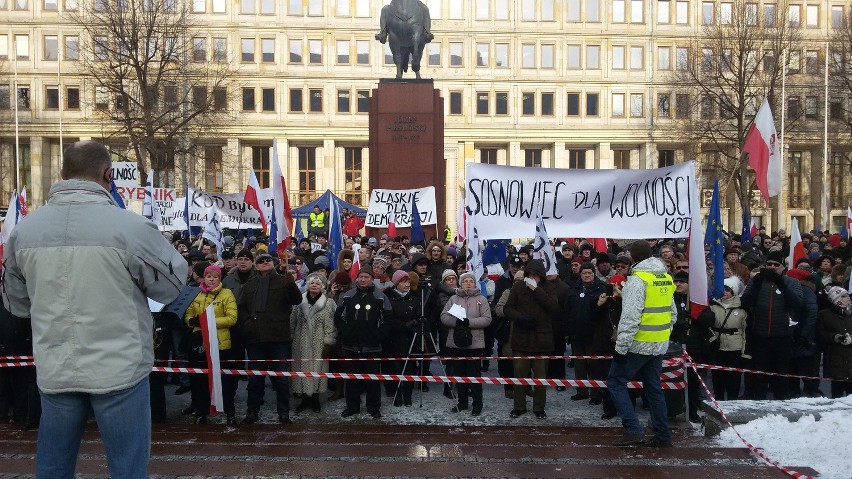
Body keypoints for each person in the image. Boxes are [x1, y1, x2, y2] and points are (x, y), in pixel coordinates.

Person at [1, 140, 187, 478]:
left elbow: (15, 302)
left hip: (56, 366)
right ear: (107, 174)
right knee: (127, 469)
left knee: (53, 467)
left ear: (62, 175)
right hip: (120, 367)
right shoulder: (128, 227)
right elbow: (172, 285)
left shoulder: (24, 232)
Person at [606, 240, 675, 447]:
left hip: (638, 344)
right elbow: (672, 314)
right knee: (654, 389)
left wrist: (621, 348)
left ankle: (633, 429)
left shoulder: (638, 280)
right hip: (658, 344)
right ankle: (663, 436)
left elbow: (630, 318)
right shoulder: (663, 277)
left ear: (633, 257)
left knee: (615, 382)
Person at [237, 252, 303, 425]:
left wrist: (290, 283)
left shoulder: (283, 281)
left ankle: (283, 413)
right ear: (256, 265)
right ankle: (252, 411)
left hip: (278, 338)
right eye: (260, 261)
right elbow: (242, 308)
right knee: (255, 378)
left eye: (267, 260)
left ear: (273, 264)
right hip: (255, 338)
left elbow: (296, 300)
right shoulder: (250, 284)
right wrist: (247, 325)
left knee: (280, 378)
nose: (264, 262)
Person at [740, 251, 803, 400]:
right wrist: (756, 284)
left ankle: (781, 401)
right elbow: (745, 303)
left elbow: (798, 303)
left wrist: (781, 284)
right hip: (760, 335)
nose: (772, 267)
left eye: (776, 265)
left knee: (781, 373)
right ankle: (760, 401)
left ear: (783, 267)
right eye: (769, 264)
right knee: (760, 373)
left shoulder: (792, 282)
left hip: (782, 336)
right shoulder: (756, 281)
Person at [502, 259, 560, 419]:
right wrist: (520, 318)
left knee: (540, 379)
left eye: (536, 275)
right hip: (521, 339)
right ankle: (519, 406)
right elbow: (507, 309)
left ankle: (539, 407)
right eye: (530, 274)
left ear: (541, 275)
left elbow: (553, 307)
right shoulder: (518, 287)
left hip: (542, 340)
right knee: (520, 377)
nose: (532, 277)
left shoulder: (549, 287)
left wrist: (536, 290)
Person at [334, 265, 393, 418]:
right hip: (350, 345)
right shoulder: (347, 295)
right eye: (361, 277)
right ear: (357, 278)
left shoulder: (381, 296)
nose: (363, 279)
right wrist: (345, 333)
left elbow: (388, 319)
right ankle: (352, 407)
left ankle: (373, 407)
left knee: (373, 380)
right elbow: (338, 317)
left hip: (372, 346)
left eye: (366, 277)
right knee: (351, 380)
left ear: (372, 279)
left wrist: (378, 335)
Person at [183, 264, 238, 424]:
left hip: (220, 344)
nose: (211, 279)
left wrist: (208, 322)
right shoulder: (196, 293)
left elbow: (231, 318)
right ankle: (201, 412)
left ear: (219, 278)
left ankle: (230, 413)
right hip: (200, 343)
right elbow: (188, 315)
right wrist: (191, 321)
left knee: (225, 381)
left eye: (215, 276)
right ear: (204, 277)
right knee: (199, 381)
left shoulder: (226, 294)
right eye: (209, 276)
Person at [441, 272, 492, 416]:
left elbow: (487, 319)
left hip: (474, 344)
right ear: (461, 284)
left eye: (471, 281)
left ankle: (477, 404)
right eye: (465, 281)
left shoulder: (481, 299)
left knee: (474, 376)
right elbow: (444, 317)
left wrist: (469, 322)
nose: (468, 283)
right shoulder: (453, 298)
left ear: (475, 284)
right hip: (456, 343)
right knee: (459, 376)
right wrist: (457, 322)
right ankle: (462, 403)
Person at [290, 272, 338, 413]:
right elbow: (293, 321)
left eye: (317, 283)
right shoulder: (299, 301)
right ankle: (304, 401)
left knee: (317, 371)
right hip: (300, 342)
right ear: (308, 285)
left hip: (319, 343)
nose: (314, 285)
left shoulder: (328, 303)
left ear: (322, 286)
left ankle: (315, 401)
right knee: (302, 370)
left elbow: (330, 325)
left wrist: (328, 343)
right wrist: (290, 337)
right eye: (312, 283)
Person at [564, 262, 607, 403]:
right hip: (577, 334)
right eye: (584, 273)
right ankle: (581, 391)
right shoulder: (574, 289)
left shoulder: (601, 289)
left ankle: (596, 393)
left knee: (594, 366)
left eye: (589, 273)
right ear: (580, 274)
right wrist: (568, 332)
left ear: (594, 274)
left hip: (594, 334)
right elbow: (568, 311)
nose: (587, 275)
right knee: (580, 365)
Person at [708, 277, 748, 401]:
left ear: (733, 291)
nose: (724, 292)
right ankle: (718, 403)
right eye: (722, 289)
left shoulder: (741, 307)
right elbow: (707, 325)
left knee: (734, 380)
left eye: (727, 290)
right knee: (718, 379)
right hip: (718, 346)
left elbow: (745, 330)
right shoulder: (713, 305)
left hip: (735, 347)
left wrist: (744, 352)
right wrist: (712, 339)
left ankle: (733, 403)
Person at [817, 286, 852, 398]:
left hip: (850, 358)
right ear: (836, 298)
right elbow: (820, 333)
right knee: (837, 393)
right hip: (834, 358)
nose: (848, 298)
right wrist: (836, 337)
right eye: (844, 296)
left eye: (847, 295)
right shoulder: (824, 315)